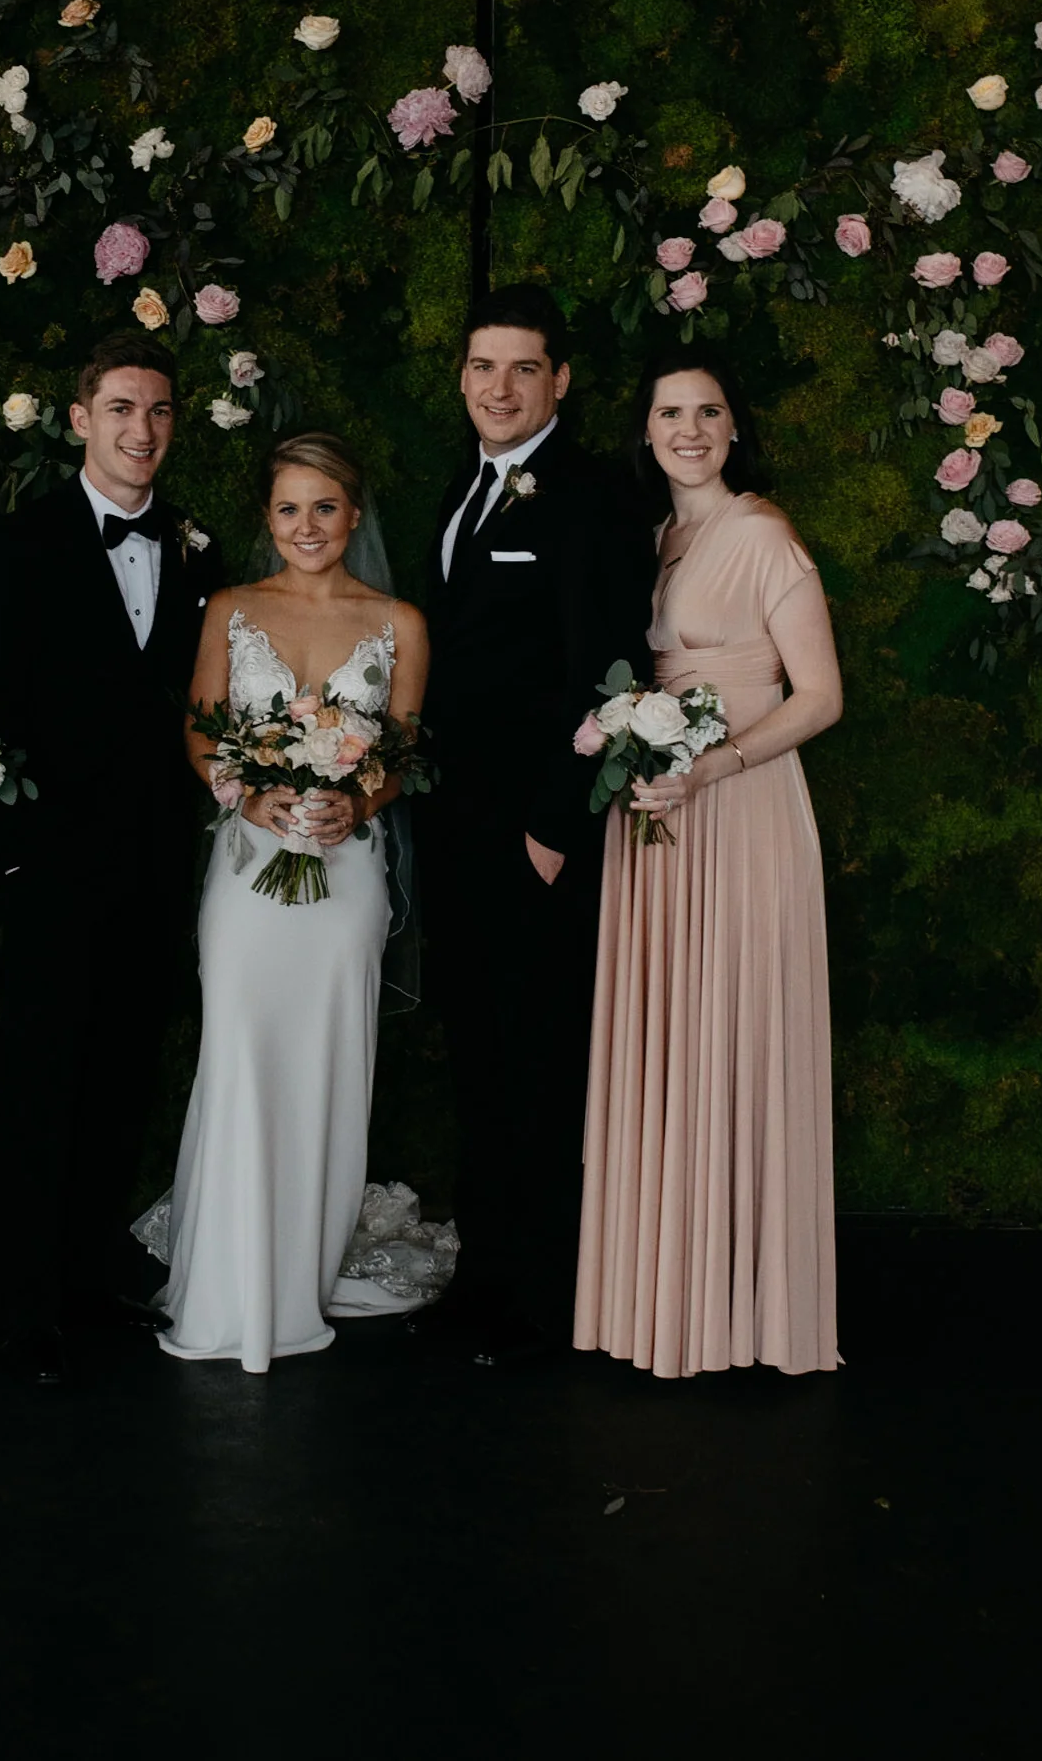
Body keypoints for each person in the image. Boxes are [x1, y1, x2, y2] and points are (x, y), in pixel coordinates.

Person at [0, 333, 224, 1387]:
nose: (140, 430)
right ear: (79, 419)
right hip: (53, 866)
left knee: (121, 1077)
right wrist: (12, 861)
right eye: (120, 408)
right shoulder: (19, 545)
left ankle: (88, 1272)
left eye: (157, 411)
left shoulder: (198, 553)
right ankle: (21, 1307)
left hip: (157, 866)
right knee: (38, 1087)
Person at [574, 353, 843, 1379]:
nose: (688, 428)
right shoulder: (651, 540)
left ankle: (746, 1315)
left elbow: (817, 697)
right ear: (643, 430)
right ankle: (664, 1301)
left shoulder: (761, 535)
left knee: (735, 1040)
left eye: (707, 411)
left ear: (735, 426)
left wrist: (711, 767)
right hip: (658, 822)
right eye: (668, 412)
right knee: (672, 1047)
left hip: (739, 816)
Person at [148, 433, 431, 1373]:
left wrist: (355, 799)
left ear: (355, 514)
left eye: (323, 507)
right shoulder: (231, 609)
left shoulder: (399, 620)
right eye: (286, 509)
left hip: (344, 877)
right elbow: (198, 728)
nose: (305, 527)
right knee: (238, 1054)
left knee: (326, 1061)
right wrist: (246, 791)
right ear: (266, 520)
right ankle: (229, 1282)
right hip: (247, 872)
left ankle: (300, 1271)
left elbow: (398, 750)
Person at [421, 285, 657, 1366]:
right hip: (452, 828)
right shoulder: (456, 492)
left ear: (559, 379)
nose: (500, 387)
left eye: (523, 368)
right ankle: (484, 1273)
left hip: (534, 834)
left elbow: (605, 673)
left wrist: (555, 827)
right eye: (482, 367)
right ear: (462, 376)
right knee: (477, 1053)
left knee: (539, 1059)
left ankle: (540, 1295)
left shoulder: (594, 496)